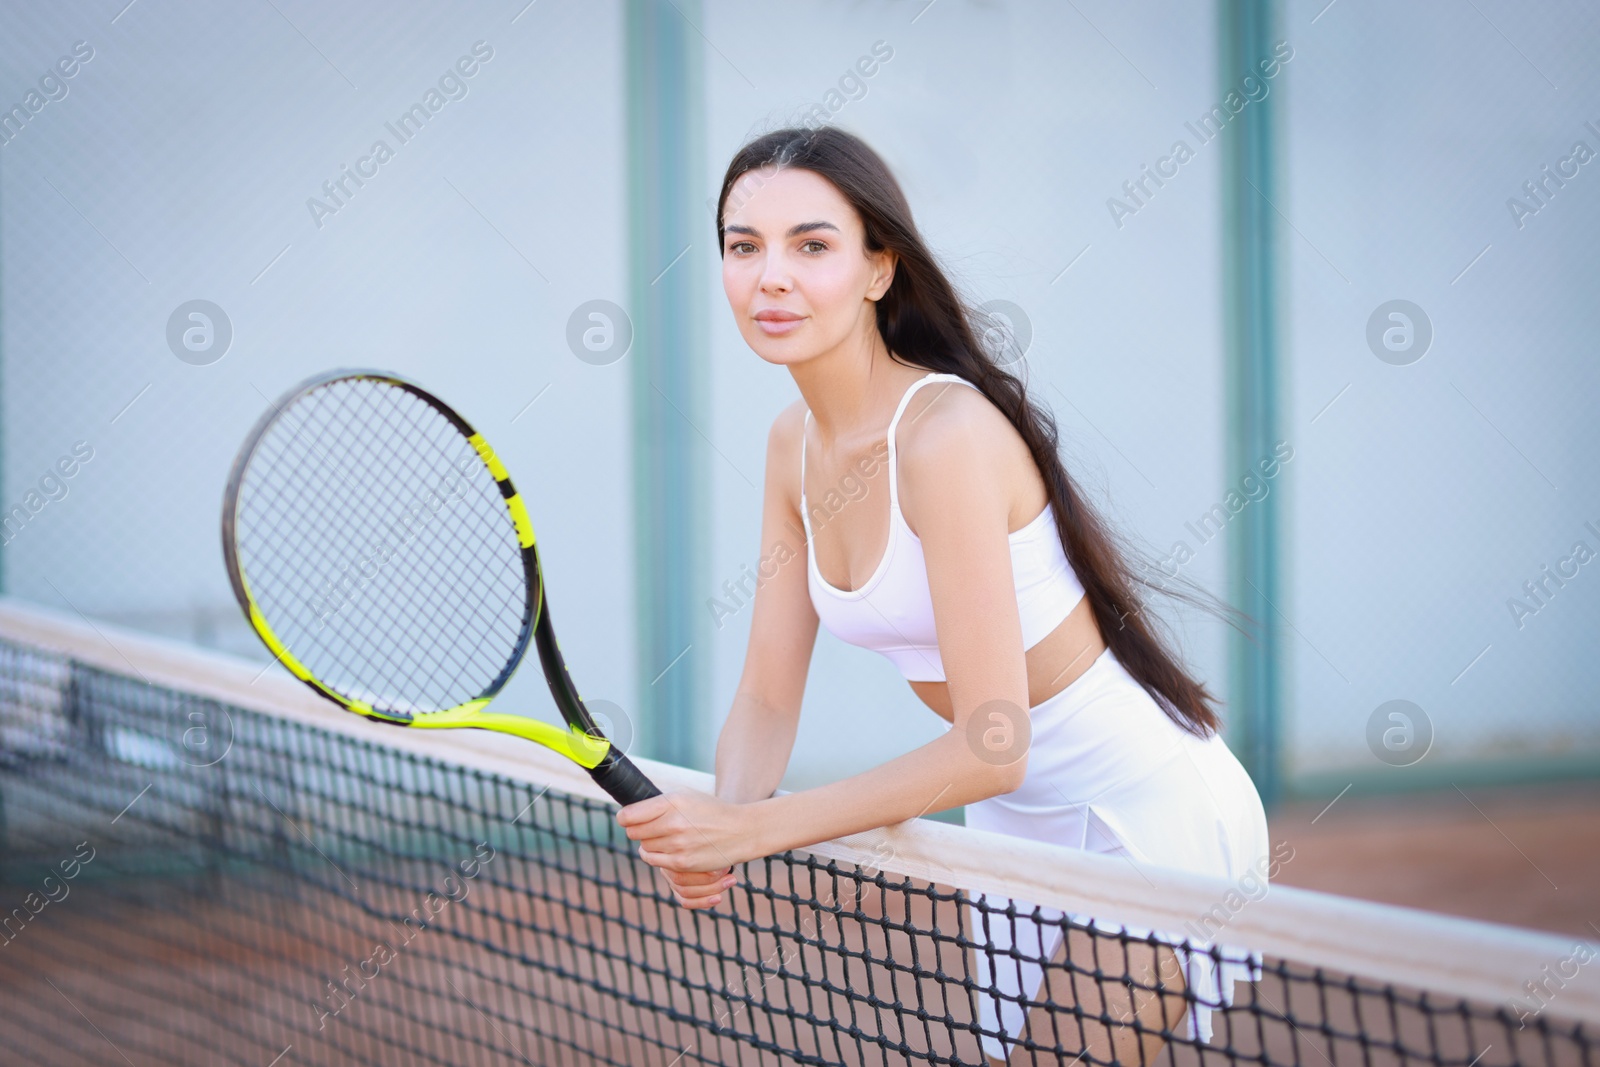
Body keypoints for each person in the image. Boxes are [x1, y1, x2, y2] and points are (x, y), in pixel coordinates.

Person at [616, 125, 1271, 1066]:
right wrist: (721, 820)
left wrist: (755, 827)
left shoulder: (946, 435)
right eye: (742, 245)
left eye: (813, 245)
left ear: (880, 269)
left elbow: (994, 742)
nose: (770, 277)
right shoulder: (788, 445)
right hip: (1016, 823)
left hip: (1145, 803)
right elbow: (766, 694)